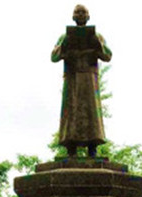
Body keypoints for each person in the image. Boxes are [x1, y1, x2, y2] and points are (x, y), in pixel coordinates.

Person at [51, 4, 112, 157]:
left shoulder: (97, 36)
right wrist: (65, 45)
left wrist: (97, 44)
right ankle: (71, 148)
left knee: (91, 111)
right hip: (72, 79)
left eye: (83, 12)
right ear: (73, 16)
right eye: (77, 12)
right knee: (71, 112)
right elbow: (54, 56)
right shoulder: (64, 37)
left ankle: (92, 147)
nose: (80, 15)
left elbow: (108, 55)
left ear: (88, 16)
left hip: (89, 79)